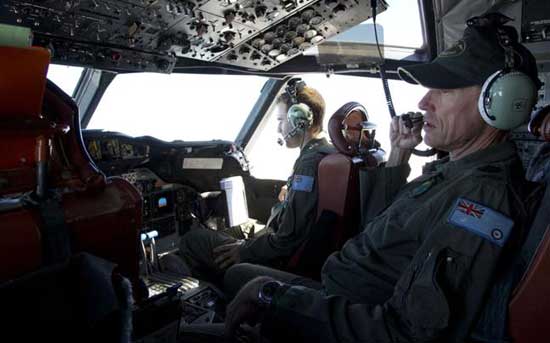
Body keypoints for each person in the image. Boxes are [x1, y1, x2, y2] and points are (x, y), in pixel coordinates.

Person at [223, 13, 541, 342]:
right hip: (343, 292)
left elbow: (406, 333)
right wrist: (400, 152)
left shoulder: (483, 196)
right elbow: (383, 232)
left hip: (353, 315)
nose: (423, 101)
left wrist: (276, 299)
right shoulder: (455, 168)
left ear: (499, 103)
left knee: (236, 279)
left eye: (444, 90)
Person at [178, 78, 334, 281]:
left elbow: (287, 239)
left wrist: (244, 251)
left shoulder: (309, 164)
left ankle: (220, 301)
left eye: (280, 121)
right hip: (284, 238)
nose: (279, 129)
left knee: (193, 239)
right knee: (234, 228)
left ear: (299, 120)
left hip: (281, 258)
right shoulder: (325, 152)